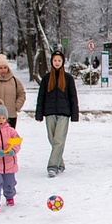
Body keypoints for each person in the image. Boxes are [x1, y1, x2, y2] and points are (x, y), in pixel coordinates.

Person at [35, 48, 80, 178]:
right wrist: (39, 114)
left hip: (64, 113)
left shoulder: (68, 78)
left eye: (59, 60)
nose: (57, 62)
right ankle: (60, 164)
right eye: (55, 60)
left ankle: (52, 166)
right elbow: (41, 97)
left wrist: (74, 114)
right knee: (52, 139)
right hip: (49, 112)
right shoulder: (46, 78)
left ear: (62, 62)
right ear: (51, 62)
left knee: (59, 139)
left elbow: (73, 96)